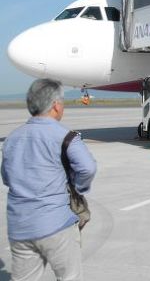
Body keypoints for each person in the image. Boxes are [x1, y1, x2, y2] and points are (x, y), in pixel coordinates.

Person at [1, 78, 97, 280]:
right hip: (56, 223)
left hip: (20, 225)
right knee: (70, 276)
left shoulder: (12, 138)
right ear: (55, 105)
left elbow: (7, 177)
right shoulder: (65, 136)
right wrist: (79, 187)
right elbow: (87, 167)